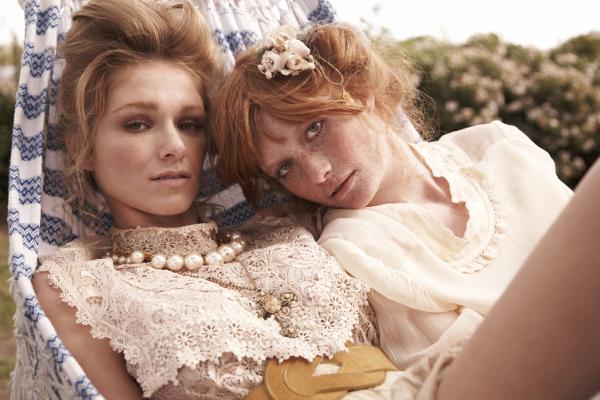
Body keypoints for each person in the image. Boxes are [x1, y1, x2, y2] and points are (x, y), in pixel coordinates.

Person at [27, 1, 433, 399]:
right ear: (81, 146)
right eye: (137, 124)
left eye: (189, 124)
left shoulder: (289, 226)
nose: (174, 147)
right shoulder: (78, 287)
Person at [211, 23, 600, 398]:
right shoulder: (353, 249)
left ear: (359, 91)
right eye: (285, 168)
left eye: (315, 128)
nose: (316, 172)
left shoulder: (499, 148)